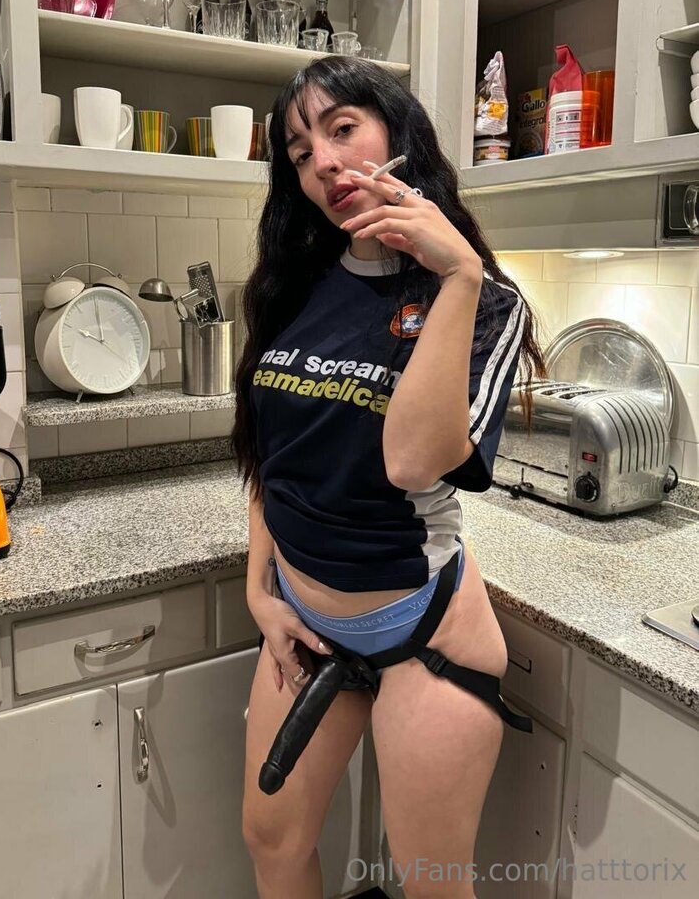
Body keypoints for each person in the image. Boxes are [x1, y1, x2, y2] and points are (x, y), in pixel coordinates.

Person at [231, 56, 548, 899]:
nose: (325, 163)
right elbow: (271, 455)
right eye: (301, 153)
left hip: (424, 632)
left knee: (430, 881)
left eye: (343, 130)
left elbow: (410, 460)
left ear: (397, 132)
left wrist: (458, 274)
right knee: (271, 841)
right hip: (302, 623)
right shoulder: (291, 288)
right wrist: (260, 591)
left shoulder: (484, 300)